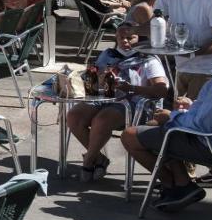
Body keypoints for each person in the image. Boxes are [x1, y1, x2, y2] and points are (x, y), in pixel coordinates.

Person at [121, 32, 212, 212]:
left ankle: (175, 184)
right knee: (160, 128)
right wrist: (191, 107)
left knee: (130, 135)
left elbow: (202, 127)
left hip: (211, 146)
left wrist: (171, 116)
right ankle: (181, 183)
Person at [66, 23, 167, 183]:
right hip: (104, 97)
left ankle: (88, 161)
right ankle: (99, 159)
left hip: (133, 103)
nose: (125, 42)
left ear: (139, 38)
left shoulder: (147, 58)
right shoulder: (108, 54)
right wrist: (95, 77)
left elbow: (161, 90)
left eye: (130, 38)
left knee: (102, 120)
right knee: (74, 116)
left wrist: (131, 88)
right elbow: (94, 78)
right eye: (121, 38)